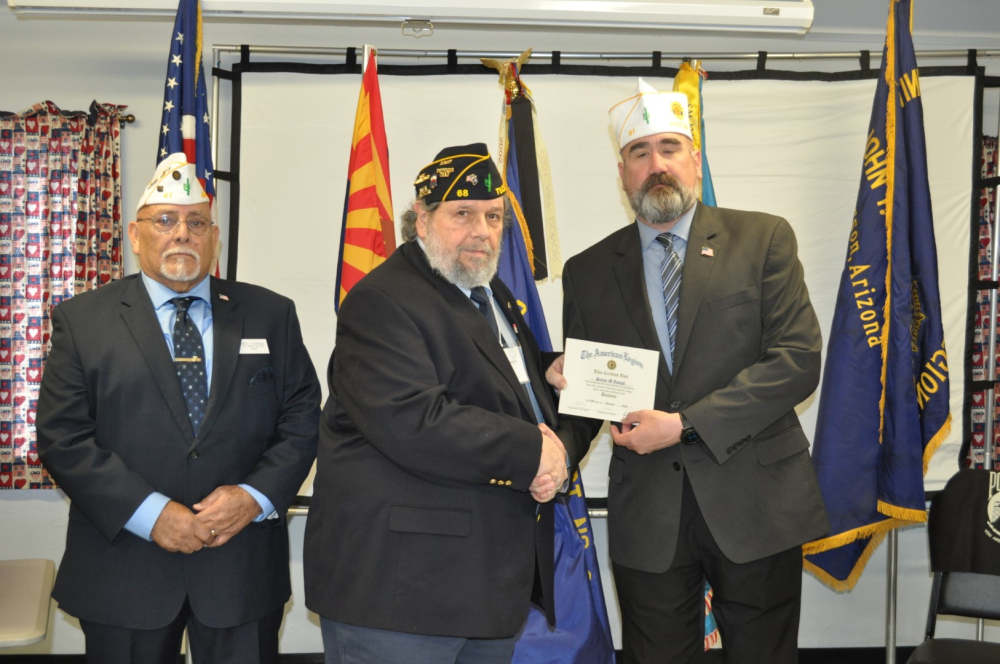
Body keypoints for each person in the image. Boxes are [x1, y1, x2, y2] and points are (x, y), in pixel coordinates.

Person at [548, 80, 830, 663]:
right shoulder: (588, 271)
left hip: (755, 505)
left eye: (669, 148)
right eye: (639, 152)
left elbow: (796, 361)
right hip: (649, 516)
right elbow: (589, 399)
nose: (657, 164)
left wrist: (683, 426)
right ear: (623, 173)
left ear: (695, 161)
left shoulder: (763, 239)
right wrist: (549, 456)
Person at [36, 153, 321, 664]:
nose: (182, 234)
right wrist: (149, 513)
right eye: (165, 220)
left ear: (214, 238)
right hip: (125, 567)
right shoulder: (82, 321)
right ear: (135, 234)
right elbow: (63, 438)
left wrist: (253, 496)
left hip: (240, 567)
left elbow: (302, 418)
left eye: (197, 223)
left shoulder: (271, 314)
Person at [304, 143, 578, 664]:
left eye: (493, 216)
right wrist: (533, 452)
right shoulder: (382, 300)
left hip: (483, 589)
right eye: (463, 214)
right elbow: (413, 419)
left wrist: (545, 367)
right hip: (401, 595)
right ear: (422, 220)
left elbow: (484, 371)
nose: (483, 231)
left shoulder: (487, 291)